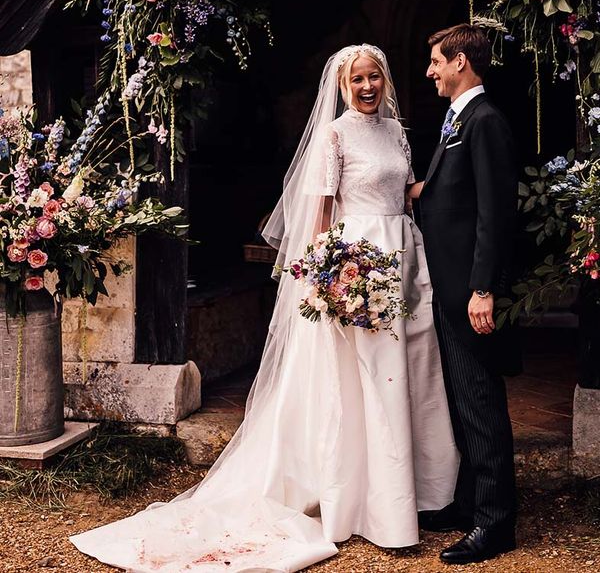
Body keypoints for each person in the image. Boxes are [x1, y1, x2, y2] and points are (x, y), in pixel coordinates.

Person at [70, 44, 459, 572]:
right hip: (356, 263)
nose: (367, 88)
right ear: (343, 87)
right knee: (362, 378)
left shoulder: (397, 132)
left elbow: (408, 192)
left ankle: (414, 493)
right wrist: (328, 277)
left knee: (407, 373)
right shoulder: (335, 134)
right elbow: (321, 210)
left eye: (374, 78)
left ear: (386, 79)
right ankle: (361, 503)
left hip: (404, 261)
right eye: (357, 80)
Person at [409, 23, 521, 566]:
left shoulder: (485, 121)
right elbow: (452, 195)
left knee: (480, 404)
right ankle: (469, 501)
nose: (429, 72)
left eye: (436, 61)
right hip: (449, 289)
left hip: (469, 293)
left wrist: (483, 288)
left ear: (460, 62)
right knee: (460, 403)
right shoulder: (458, 120)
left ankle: (495, 524)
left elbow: (494, 214)